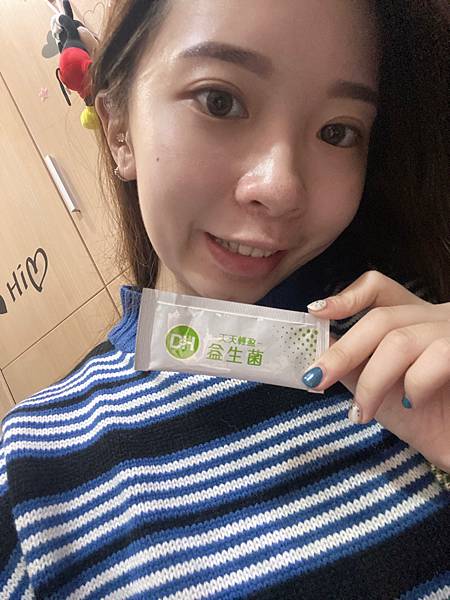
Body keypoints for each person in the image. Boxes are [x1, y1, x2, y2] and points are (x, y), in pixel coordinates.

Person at [1, 0, 449, 597]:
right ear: (119, 129)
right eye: (219, 101)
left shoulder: (423, 331)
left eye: (337, 132)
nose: (281, 187)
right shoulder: (33, 470)